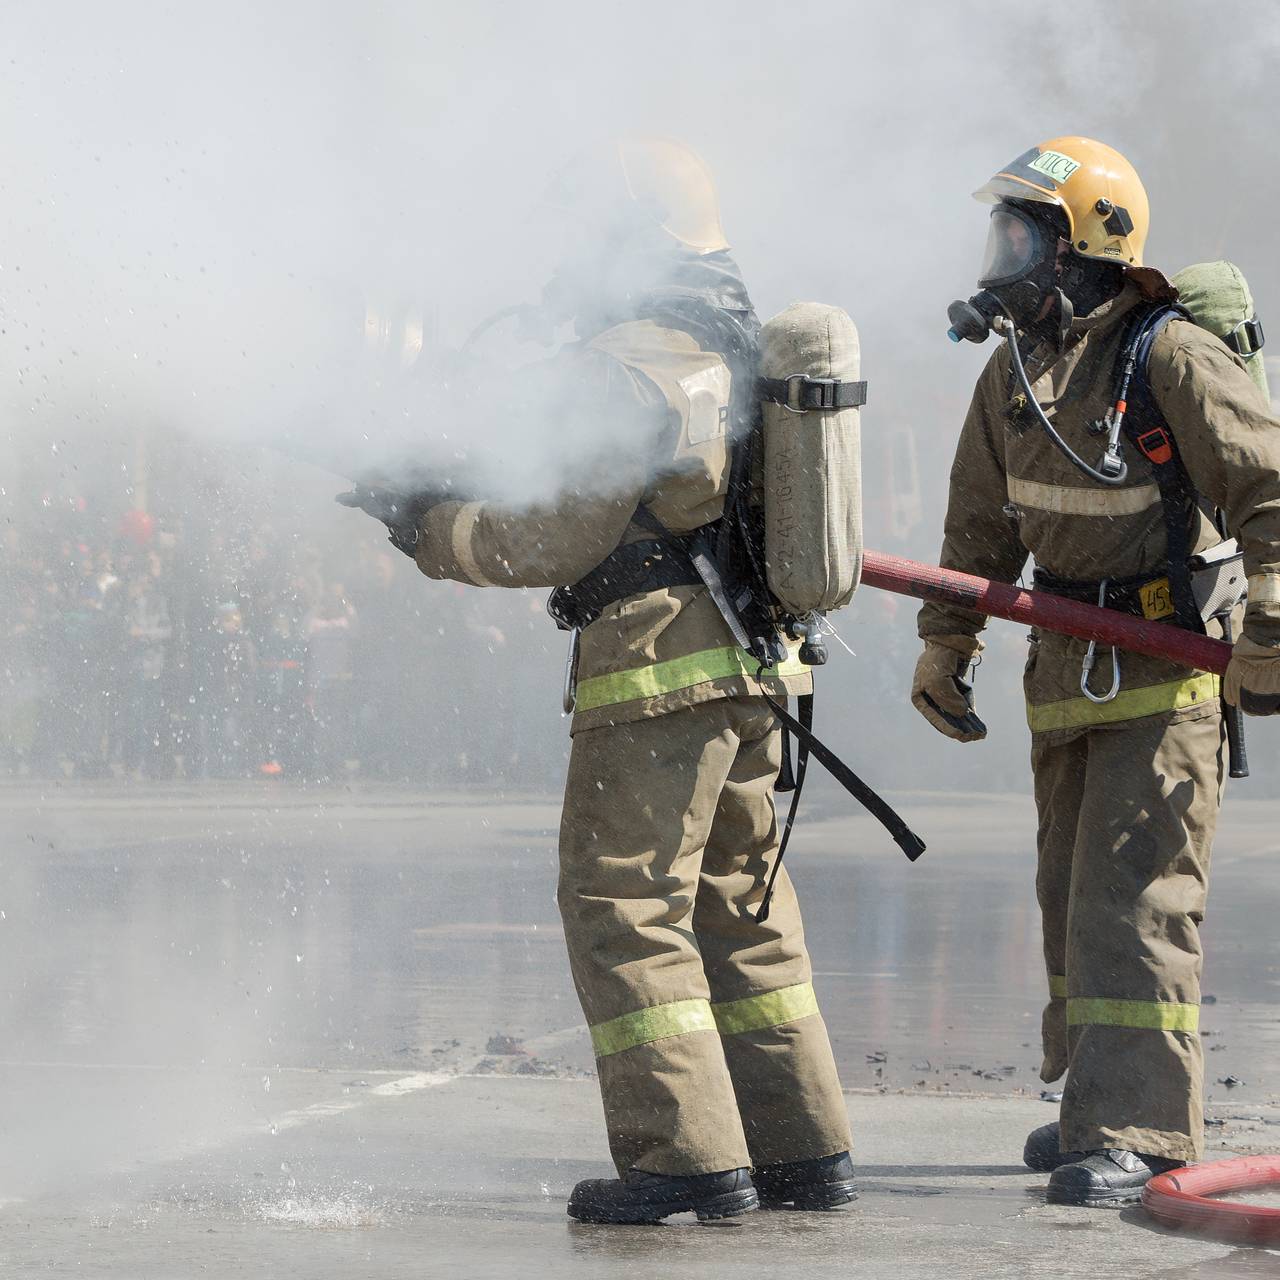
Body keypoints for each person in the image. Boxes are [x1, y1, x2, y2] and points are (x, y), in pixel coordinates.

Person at [342, 137, 854, 1223]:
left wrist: (429, 527)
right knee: (739, 906)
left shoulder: (623, 359)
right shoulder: (731, 346)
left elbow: (555, 537)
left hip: (655, 665)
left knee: (624, 901)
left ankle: (681, 1156)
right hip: (751, 666)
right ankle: (801, 1148)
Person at [912, 136, 1280, 1205]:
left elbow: (1269, 492)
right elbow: (975, 523)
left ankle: (1142, 1130)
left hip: (1162, 680)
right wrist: (947, 642)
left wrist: (1270, 622)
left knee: (1134, 902)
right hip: (1063, 676)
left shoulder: (1166, 357)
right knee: (1071, 904)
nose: (1001, 258)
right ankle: (1092, 1106)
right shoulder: (1014, 371)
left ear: (1086, 243)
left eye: (1020, 233)